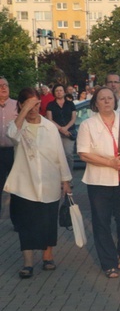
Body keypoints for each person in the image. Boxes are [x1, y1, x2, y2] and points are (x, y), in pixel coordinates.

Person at [5, 88, 72, 278]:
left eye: (36, 104)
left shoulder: (49, 126)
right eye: (28, 104)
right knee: (26, 223)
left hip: (49, 180)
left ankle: (47, 256)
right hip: (24, 184)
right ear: (20, 105)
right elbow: (11, 135)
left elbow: (60, 153)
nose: (34, 108)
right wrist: (24, 112)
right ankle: (27, 262)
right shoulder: (17, 125)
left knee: (48, 221)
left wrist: (65, 179)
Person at [77, 87, 120, 278]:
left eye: (109, 98)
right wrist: (110, 162)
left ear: (115, 101)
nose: (106, 101)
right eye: (102, 99)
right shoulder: (88, 125)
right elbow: (83, 153)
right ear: (95, 103)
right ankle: (108, 263)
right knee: (101, 222)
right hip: (99, 181)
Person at [45, 84, 77, 175]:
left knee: (68, 154)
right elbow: (49, 119)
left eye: (61, 90)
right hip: (56, 132)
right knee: (57, 156)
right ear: (54, 93)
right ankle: (59, 177)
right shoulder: (51, 105)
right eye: (57, 91)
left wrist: (66, 128)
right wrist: (60, 129)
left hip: (69, 132)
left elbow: (73, 118)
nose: (59, 92)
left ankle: (69, 176)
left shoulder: (70, 104)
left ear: (64, 92)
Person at [0, 77, 17, 215]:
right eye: (0, 86)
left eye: (5, 85)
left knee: (15, 188)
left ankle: (17, 220)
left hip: (14, 152)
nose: (3, 88)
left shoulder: (17, 105)